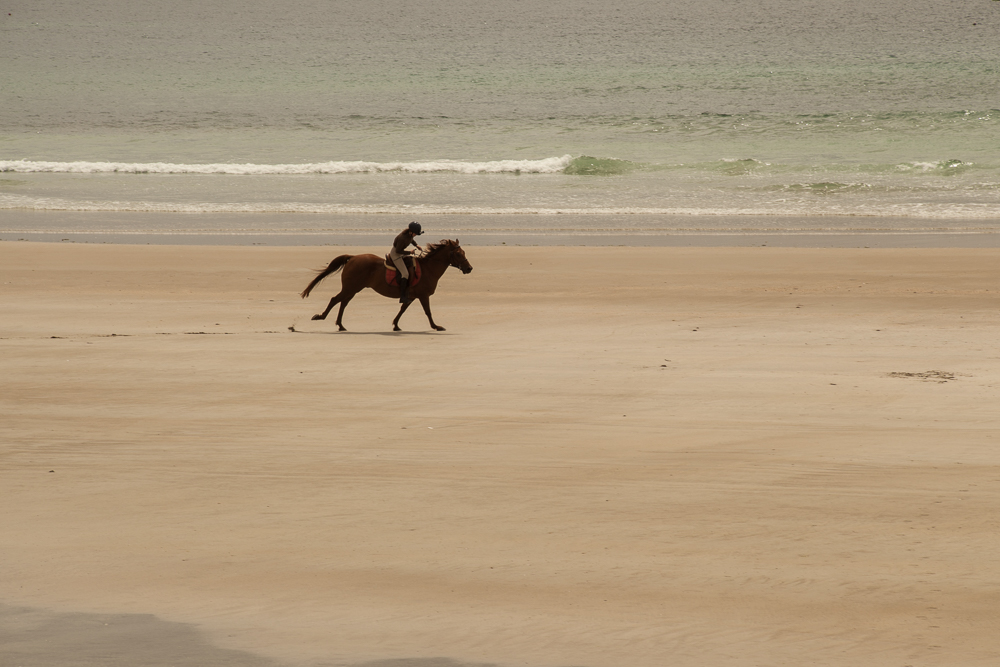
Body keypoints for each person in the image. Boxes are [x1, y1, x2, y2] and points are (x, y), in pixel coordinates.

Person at [389, 221, 424, 303]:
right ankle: (402, 297)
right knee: (405, 274)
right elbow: (398, 251)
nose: (415, 235)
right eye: (415, 233)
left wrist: (416, 245)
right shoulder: (402, 238)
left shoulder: (409, 235)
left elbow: (411, 240)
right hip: (396, 255)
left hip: (400, 253)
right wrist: (409, 252)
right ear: (411, 232)